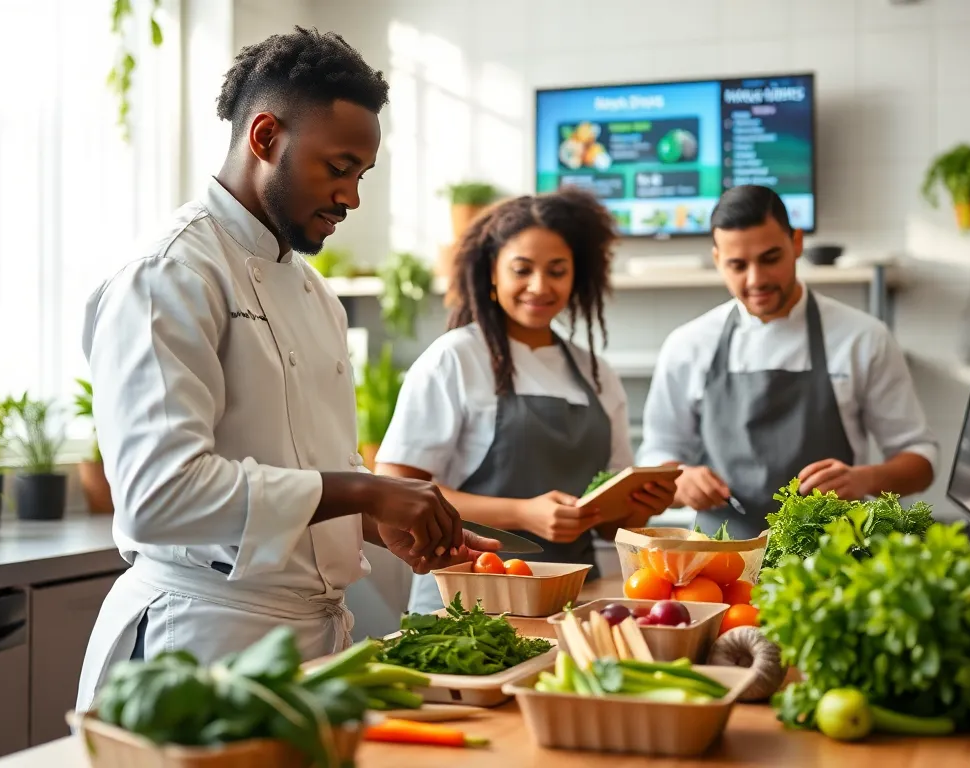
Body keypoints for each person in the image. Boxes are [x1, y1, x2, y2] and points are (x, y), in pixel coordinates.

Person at [74, 29, 497, 712]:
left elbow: (296, 467)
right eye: (338, 167)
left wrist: (370, 521)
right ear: (266, 137)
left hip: (311, 646)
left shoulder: (316, 295)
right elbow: (160, 497)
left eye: (361, 175)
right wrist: (364, 492)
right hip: (199, 647)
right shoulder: (169, 276)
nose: (351, 198)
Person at [375, 187, 677, 615]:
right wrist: (521, 513)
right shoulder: (456, 357)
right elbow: (397, 490)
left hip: (570, 601)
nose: (540, 286)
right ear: (492, 273)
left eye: (557, 270)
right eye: (522, 269)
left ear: (577, 276)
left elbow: (614, 527)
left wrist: (639, 507)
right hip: (468, 597)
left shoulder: (596, 373)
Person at [637, 185, 937, 539]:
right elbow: (656, 455)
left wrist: (864, 479)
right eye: (737, 265)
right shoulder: (687, 345)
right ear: (718, 260)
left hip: (833, 561)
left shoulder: (863, 338)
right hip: (718, 566)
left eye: (770, 258)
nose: (756, 279)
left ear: (796, 243)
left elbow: (920, 459)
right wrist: (680, 479)